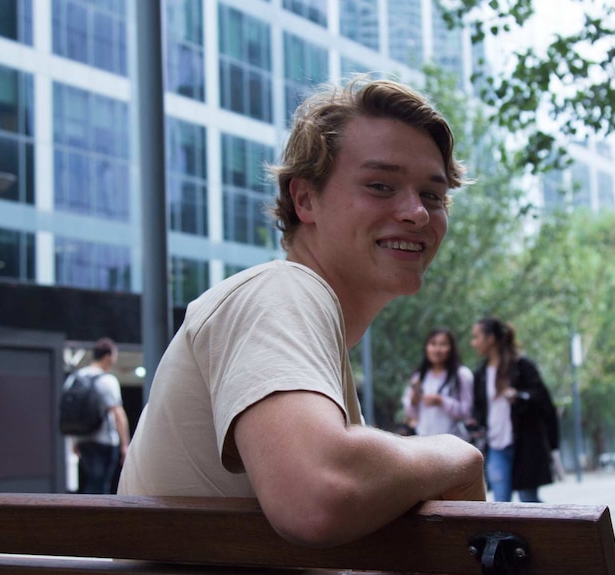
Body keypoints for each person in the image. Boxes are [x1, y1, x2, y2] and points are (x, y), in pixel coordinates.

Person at [119, 78, 486, 546]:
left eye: (432, 195)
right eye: (380, 185)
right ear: (305, 199)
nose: (416, 212)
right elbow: (318, 495)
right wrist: (457, 455)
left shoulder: (299, 314)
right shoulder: (280, 289)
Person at [470, 317, 560, 503]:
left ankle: (546, 529)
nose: (474, 343)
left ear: (490, 339)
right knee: (501, 502)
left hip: (525, 443)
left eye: (476, 337)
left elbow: (542, 399)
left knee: (528, 500)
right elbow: (479, 408)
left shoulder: (521, 366)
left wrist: (518, 396)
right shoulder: (480, 374)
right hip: (496, 444)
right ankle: (508, 534)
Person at [66, 337, 130, 494]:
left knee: (92, 480)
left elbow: (72, 414)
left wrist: (74, 440)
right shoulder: (107, 380)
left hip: (83, 440)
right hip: (105, 441)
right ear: (108, 356)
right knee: (100, 484)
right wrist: (125, 445)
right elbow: (118, 414)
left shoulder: (74, 378)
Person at [401, 328, 473, 437]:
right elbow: (411, 414)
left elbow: (466, 412)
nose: (437, 349)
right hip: (423, 440)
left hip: (453, 441)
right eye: (433, 344)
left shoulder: (462, 375)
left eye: (443, 344)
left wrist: (441, 401)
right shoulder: (419, 377)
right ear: (426, 347)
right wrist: (414, 401)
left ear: (451, 348)